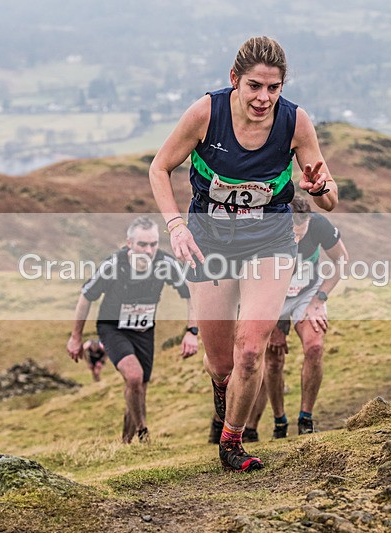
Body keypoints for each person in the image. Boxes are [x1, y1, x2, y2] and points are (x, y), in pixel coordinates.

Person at [149, 36, 338, 471]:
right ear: (234, 79)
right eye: (254, 86)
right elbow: (159, 168)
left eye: (273, 88)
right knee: (221, 364)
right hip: (209, 242)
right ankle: (224, 394)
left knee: (250, 351)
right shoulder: (206, 113)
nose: (263, 98)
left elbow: (330, 198)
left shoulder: (295, 122)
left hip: (270, 241)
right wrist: (176, 225)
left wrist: (320, 189)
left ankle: (232, 442)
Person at [67, 216, 199, 444]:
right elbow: (86, 296)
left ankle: (126, 443)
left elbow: (191, 292)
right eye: (142, 244)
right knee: (134, 376)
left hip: (144, 331)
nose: (149, 250)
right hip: (113, 328)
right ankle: (143, 431)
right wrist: (75, 337)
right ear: (129, 243)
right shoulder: (113, 265)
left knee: (138, 388)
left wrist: (192, 331)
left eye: (153, 244)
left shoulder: (165, 264)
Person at [244, 196, 348, 440]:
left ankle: (305, 420)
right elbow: (253, 279)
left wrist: (319, 299)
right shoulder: (268, 229)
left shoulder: (318, 224)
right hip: (271, 296)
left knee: (315, 347)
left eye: (301, 234)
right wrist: (275, 325)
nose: (297, 240)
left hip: (306, 293)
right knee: (273, 361)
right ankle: (279, 422)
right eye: (293, 235)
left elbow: (342, 260)